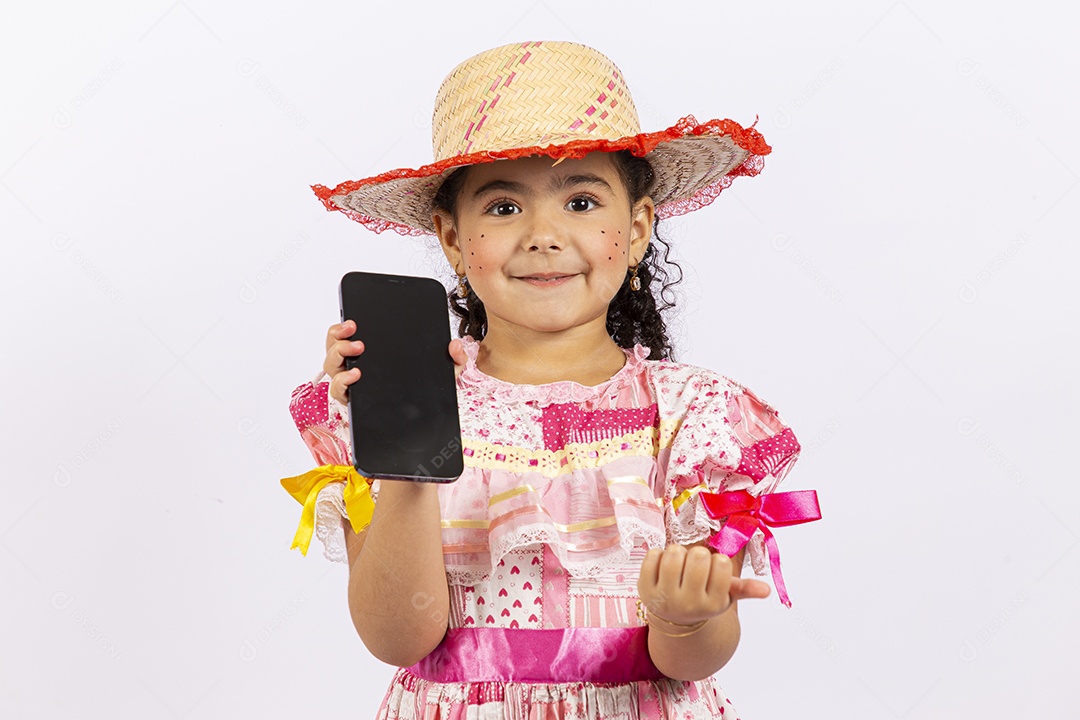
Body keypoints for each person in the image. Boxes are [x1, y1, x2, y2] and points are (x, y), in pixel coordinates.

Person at [281, 40, 820, 720]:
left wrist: (686, 616)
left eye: (583, 201)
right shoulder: (404, 406)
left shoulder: (691, 415)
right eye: (503, 208)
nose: (543, 234)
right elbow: (398, 637)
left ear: (637, 226)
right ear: (451, 239)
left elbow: (694, 659)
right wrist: (407, 446)